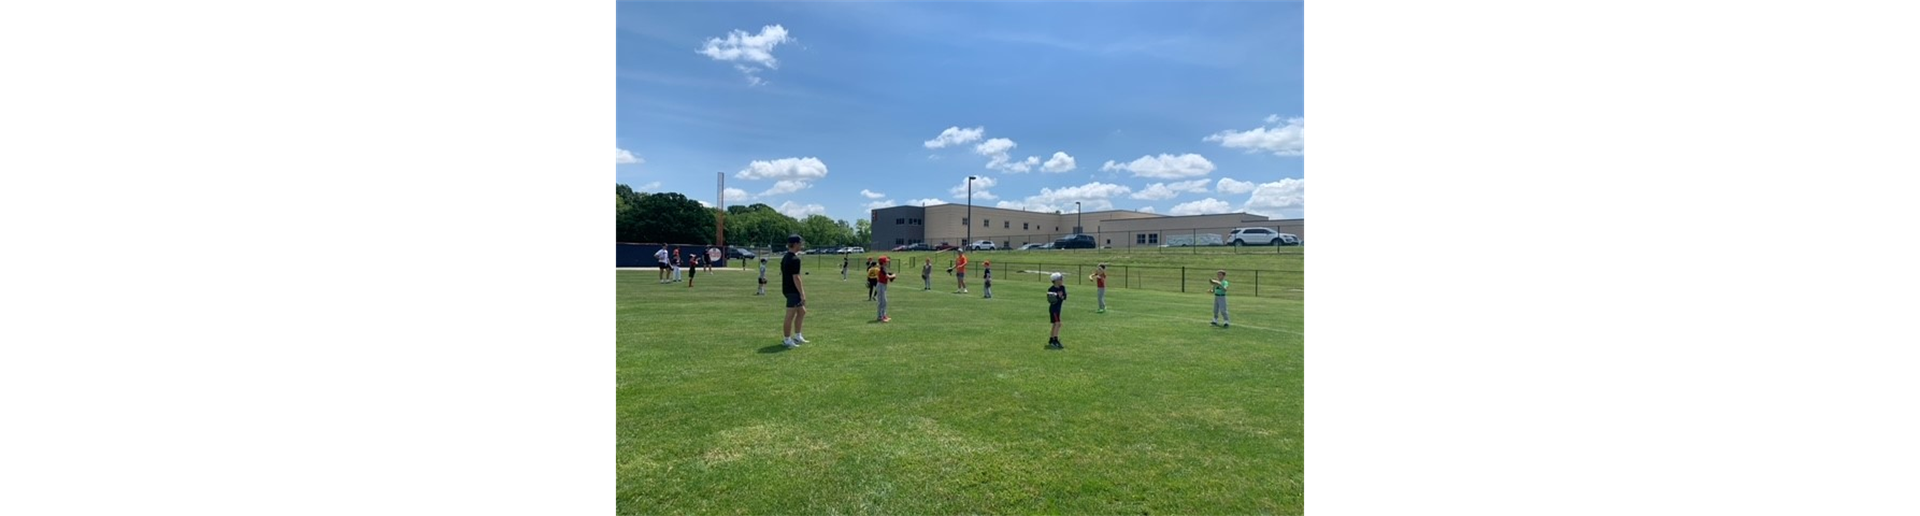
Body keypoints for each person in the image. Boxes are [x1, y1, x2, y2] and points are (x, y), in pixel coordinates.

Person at [781, 235, 810, 348]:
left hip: (787, 288)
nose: (801, 245)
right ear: (796, 244)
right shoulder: (794, 259)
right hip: (792, 290)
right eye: (800, 243)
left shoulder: (786, 257)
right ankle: (787, 339)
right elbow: (796, 277)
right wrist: (802, 294)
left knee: (802, 312)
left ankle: (798, 336)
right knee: (790, 315)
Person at [1046, 272, 1067, 350]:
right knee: (1057, 324)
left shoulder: (1062, 288)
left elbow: (1064, 297)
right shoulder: (1051, 289)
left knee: (1056, 324)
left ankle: (1051, 339)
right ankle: (1055, 340)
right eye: (1060, 279)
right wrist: (1059, 297)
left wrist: (1059, 297)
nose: (1062, 280)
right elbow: (1052, 300)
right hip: (1054, 309)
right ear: (1056, 280)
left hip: (1058, 309)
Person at [875, 256, 896, 322]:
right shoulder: (882, 269)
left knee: (884, 301)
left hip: (883, 285)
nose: (887, 262)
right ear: (883, 262)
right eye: (886, 261)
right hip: (881, 285)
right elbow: (887, 276)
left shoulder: (883, 268)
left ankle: (883, 315)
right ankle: (880, 317)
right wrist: (893, 275)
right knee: (882, 302)